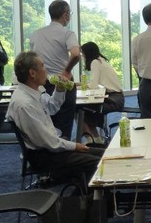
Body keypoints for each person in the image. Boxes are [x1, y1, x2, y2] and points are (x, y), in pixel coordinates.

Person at [6, 51, 104, 184]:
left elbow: (52, 107)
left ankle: (88, 191)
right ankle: (86, 194)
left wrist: (59, 89)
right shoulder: (24, 104)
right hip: (44, 156)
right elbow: (49, 143)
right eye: (43, 66)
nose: (46, 70)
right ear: (32, 73)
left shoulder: (34, 91)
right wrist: (74, 146)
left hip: (51, 147)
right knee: (100, 161)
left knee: (104, 154)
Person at [29, 0, 80, 140]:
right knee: (63, 127)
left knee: (46, 124)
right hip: (63, 83)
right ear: (65, 15)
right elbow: (76, 54)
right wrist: (67, 70)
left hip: (42, 85)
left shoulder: (36, 34)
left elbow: (32, 59)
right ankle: (65, 151)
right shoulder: (67, 33)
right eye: (69, 13)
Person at [80, 41, 125, 144]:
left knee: (80, 109)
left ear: (87, 53)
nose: (82, 57)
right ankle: (95, 139)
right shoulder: (102, 61)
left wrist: (80, 85)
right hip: (117, 98)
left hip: (112, 100)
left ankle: (92, 139)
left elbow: (93, 85)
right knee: (87, 108)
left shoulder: (95, 62)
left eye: (83, 54)